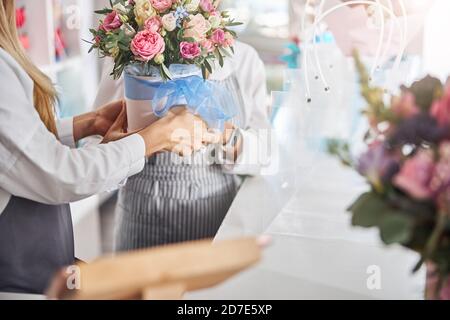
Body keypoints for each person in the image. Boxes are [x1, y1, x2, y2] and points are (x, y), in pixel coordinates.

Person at [0, 0, 218, 294]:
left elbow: (18, 145)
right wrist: (153, 139)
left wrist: (88, 123)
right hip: (21, 273)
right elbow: (58, 172)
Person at [94, 40, 272, 251]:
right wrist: (139, 143)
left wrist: (226, 135)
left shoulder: (244, 59)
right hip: (143, 214)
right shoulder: (129, 55)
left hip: (218, 215)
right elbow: (97, 148)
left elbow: (264, 155)